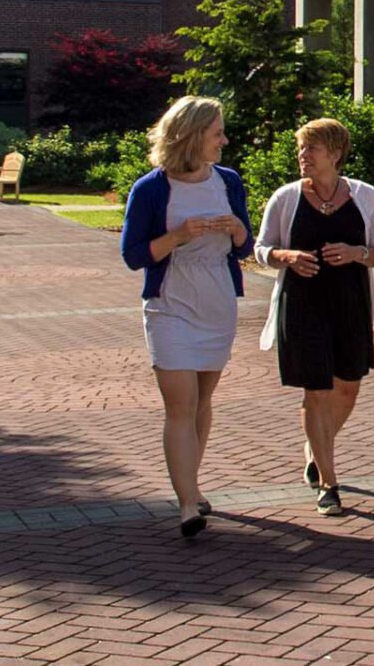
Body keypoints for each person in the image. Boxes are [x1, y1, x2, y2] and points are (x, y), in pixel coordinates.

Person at [119, 95, 251, 539]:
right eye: (217, 133)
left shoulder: (228, 181)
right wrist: (176, 236)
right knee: (180, 405)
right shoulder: (152, 188)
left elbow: (245, 247)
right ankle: (187, 503)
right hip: (170, 305)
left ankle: (190, 485)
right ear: (193, 136)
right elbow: (134, 255)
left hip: (217, 302)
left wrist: (236, 231)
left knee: (202, 401)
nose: (224, 140)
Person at [253, 118, 374, 517]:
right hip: (302, 304)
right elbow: (261, 248)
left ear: (334, 154)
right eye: (300, 149)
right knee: (315, 391)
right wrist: (285, 257)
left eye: (310, 149)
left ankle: (317, 448)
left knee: (347, 387)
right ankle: (329, 485)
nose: (302, 156)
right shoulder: (286, 198)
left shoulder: (365, 196)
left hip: (350, 302)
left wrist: (357, 253)